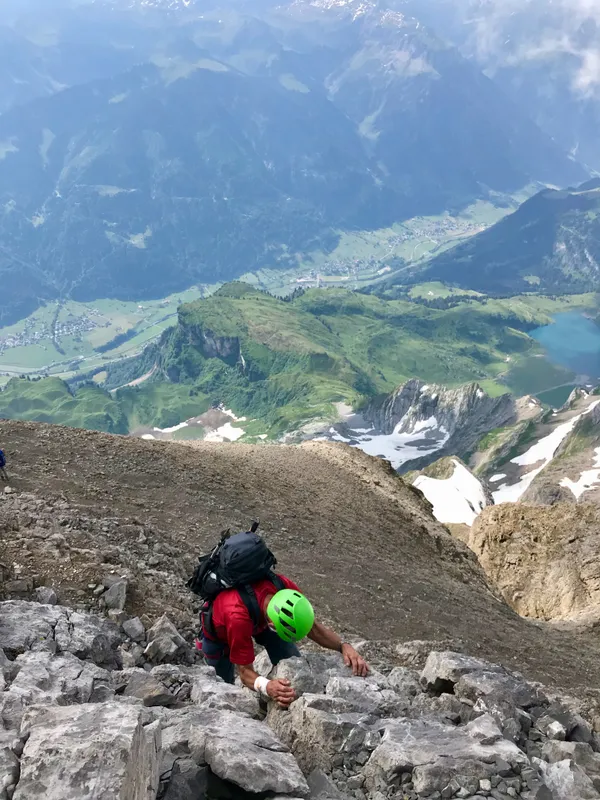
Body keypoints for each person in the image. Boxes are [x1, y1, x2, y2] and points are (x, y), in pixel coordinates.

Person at [200, 575, 370, 708]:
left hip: (257, 617)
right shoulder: (237, 617)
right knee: (222, 686)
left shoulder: (283, 587)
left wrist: (343, 646)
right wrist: (268, 687)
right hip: (219, 636)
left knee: (291, 660)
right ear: (272, 624)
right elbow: (245, 673)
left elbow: (314, 629)